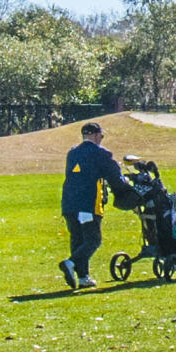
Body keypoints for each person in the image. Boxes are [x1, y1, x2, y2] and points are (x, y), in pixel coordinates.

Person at [58, 121, 125, 291]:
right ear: (95, 136)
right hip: (88, 203)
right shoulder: (100, 153)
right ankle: (70, 263)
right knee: (93, 239)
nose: (101, 139)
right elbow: (115, 177)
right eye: (101, 136)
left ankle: (83, 277)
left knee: (78, 239)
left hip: (68, 203)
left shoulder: (72, 153)